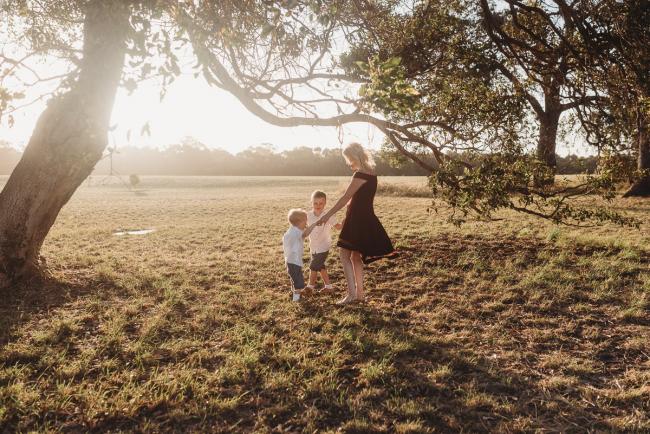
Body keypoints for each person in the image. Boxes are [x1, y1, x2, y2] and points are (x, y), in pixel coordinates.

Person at [316, 143, 397, 304]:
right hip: (364, 217)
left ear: (353, 157)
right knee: (355, 257)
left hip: (358, 219)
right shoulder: (372, 174)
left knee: (344, 255)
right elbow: (356, 200)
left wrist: (327, 215)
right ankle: (359, 295)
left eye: (348, 159)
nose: (348, 162)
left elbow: (346, 197)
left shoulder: (360, 175)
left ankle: (352, 295)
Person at [305, 190, 342, 294]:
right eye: (315, 203)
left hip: (323, 246)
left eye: (321, 203)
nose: (318, 205)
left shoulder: (328, 215)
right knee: (321, 267)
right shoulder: (308, 215)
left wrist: (346, 220)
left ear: (325, 203)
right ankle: (329, 287)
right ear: (311, 203)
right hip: (313, 246)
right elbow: (304, 227)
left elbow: (338, 227)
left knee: (313, 266)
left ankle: (310, 287)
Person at [282, 208, 316, 302]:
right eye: (305, 221)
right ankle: (296, 299)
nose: (306, 224)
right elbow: (305, 233)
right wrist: (313, 225)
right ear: (299, 222)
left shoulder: (291, 231)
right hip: (294, 262)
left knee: (294, 279)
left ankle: (294, 293)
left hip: (290, 261)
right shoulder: (296, 232)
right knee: (298, 281)